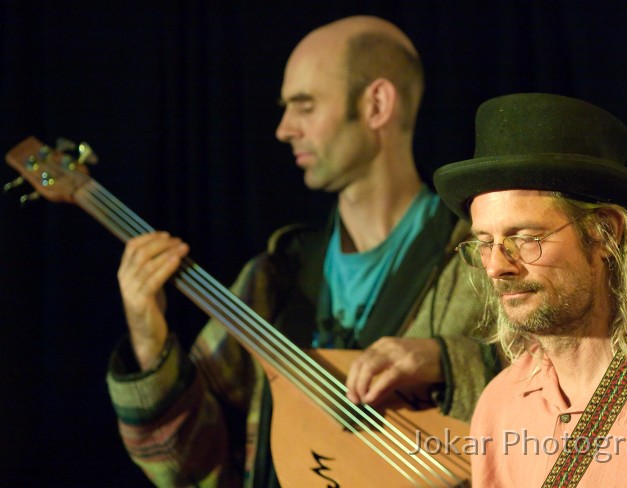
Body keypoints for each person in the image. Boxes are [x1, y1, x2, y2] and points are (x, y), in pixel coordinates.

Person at [106, 15, 498, 487]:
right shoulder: (274, 278)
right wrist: (148, 341)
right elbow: (181, 465)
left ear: (376, 104)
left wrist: (446, 361)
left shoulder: (483, 260)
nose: (284, 129)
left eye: (305, 106)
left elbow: (568, 406)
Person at [433, 92, 627, 487]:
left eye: (526, 237)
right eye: (485, 242)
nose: (497, 266)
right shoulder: (499, 407)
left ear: (604, 233)